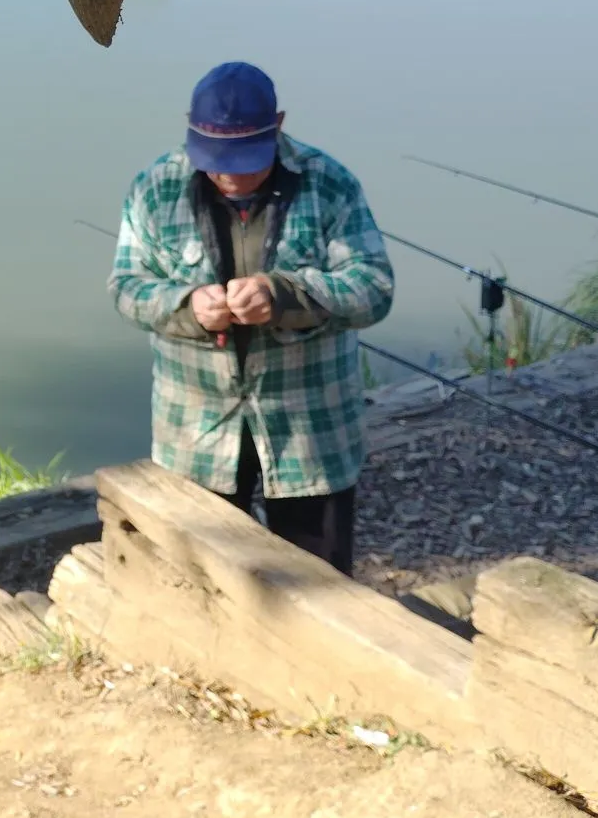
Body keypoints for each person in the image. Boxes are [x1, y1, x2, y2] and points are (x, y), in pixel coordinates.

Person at [108, 62, 392, 576]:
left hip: (310, 429)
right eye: (216, 160)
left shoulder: (330, 185)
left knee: (319, 579)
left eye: (246, 160)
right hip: (195, 432)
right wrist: (186, 306)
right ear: (189, 129)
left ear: (278, 125)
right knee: (197, 576)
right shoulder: (154, 189)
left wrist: (286, 295)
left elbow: (374, 288)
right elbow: (127, 289)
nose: (230, 175)